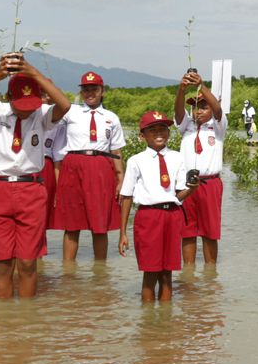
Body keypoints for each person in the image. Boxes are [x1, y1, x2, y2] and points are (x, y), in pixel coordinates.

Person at [0, 53, 71, 298]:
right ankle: (4, 325)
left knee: (28, 262)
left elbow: (65, 105)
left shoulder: (41, 114)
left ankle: (26, 324)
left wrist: (32, 72)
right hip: (0, 189)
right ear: (9, 98)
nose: (26, 112)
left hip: (32, 190)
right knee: (3, 263)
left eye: (31, 105)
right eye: (21, 105)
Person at [119, 110, 195, 302]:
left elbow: (179, 194)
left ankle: (164, 324)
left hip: (172, 215)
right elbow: (126, 196)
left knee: (167, 273)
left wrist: (192, 188)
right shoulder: (136, 161)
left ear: (169, 133)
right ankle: (148, 324)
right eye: (152, 129)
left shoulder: (177, 158)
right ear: (142, 135)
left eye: (163, 128)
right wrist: (122, 233)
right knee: (150, 272)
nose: (159, 133)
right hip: (148, 217)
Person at [50, 71, 124, 262]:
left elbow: (116, 151)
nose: (90, 93)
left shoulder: (111, 117)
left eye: (94, 89)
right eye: (86, 90)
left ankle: (100, 271)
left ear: (102, 91)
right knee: (72, 223)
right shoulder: (70, 112)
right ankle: (68, 270)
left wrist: (120, 178)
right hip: (73, 165)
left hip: (101, 166)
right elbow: (49, 118)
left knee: (100, 224)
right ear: (81, 92)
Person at [175, 68, 226, 269]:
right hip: (187, 183)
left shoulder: (218, 126)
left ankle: (210, 273)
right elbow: (179, 111)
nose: (198, 111)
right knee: (187, 231)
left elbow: (219, 109)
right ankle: (188, 272)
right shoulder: (186, 126)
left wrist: (200, 86)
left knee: (209, 232)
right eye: (195, 107)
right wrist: (181, 90)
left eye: (203, 107)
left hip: (210, 183)